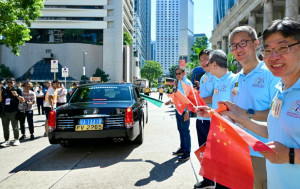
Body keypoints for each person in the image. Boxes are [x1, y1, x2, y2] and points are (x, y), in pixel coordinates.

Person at [221, 18, 300, 189]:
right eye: (269, 50)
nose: (274, 56)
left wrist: (291, 155)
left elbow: (287, 150)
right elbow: (273, 131)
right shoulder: (281, 89)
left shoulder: (271, 77)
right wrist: (239, 117)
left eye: (283, 48)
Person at [194, 49, 217, 189]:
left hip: (212, 120)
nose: (203, 62)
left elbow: (216, 97)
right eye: (201, 60)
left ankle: (217, 180)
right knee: (203, 149)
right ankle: (207, 179)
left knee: (214, 151)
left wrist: (199, 99)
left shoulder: (216, 76)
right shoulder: (203, 77)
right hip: (200, 119)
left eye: (206, 59)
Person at [165, 67, 192, 161]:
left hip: (184, 111)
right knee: (181, 130)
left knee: (185, 131)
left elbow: (190, 98)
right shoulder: (180, 82)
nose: (177, 75)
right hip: (178, 110)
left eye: (179, 73)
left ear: (184, 73)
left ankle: (187, 153)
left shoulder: (187, 83)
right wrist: (171, 101)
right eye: (176, 74)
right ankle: (182, 149)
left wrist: (188, 112)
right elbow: (179, 97)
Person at [0, 77, 23, 147]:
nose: (9, 83)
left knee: (15, 126)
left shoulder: (18, 90)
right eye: (8, 82)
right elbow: (1, 101)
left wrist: (16, 95)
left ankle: (16, 139)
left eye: (11, 82)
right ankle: (6, 140)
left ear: (14, 83)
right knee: (5, 127)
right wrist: (0, 92)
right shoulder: (4, 90)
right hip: (5, 111)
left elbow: (22, 100)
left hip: (14, 111)